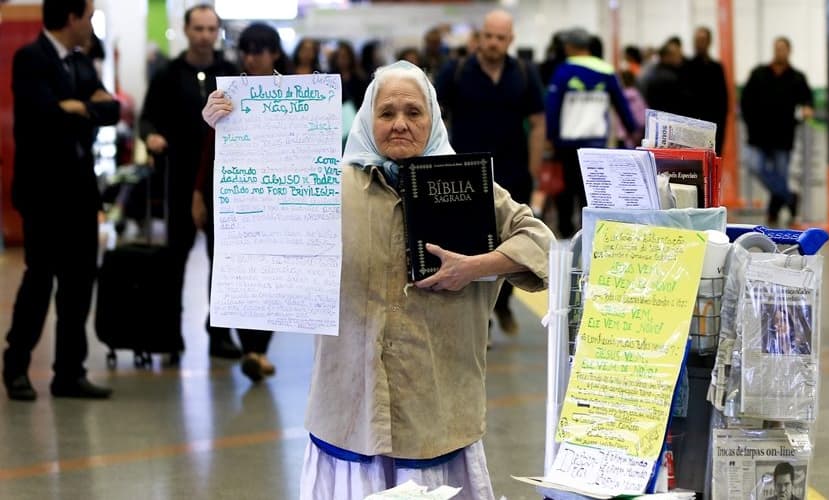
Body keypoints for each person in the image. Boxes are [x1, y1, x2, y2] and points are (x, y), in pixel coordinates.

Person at [202, 60, 553, 499]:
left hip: (436, 413)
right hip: (351, 410)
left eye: (413, 112)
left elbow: (538, 241)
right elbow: (262, 200)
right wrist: (234, 133)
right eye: (387, 113)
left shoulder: (469, 187)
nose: (400, 124)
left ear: (434, 117)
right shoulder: (331, 187)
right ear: (368, 119)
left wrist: (475, 266)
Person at [3, 0, 119, 401]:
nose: (90, 23)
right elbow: (44, 117)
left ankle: (69, 373)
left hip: (80, 194)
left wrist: (76, 108)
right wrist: (83, 109)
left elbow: (112, 110)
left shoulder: (80, 62)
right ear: (72, 17)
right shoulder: (30, 58)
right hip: (43, 195)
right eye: (88, 15)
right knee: (39, 281)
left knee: (79, 284)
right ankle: (15, 366)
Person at [138, 3, 240, 359]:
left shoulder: (230, 73)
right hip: (179, 178)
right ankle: (169, 334)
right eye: (198, 29)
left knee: (223, 259)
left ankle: (220, 332)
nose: (205, 36)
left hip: (224, 179)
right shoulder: (167, 73)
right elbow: (147, 118)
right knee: (174, 258)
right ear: (186, 30)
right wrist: (151, 137)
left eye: (211, 29)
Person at [435, 9, 545, 335]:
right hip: (464, 176)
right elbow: (433, 117)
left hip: (513, 172)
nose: (493, 43)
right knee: (468, 247)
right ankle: (477, 322)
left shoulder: (524, 74)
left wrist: (534, 171)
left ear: (510, 40)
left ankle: (504, 303)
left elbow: (538, 124)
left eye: (500, 37)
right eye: (488, 36)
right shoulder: (455, 72)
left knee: (511, 243)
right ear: (479, 36)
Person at [192, 23, 284, 382]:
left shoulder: (295, 92)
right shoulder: (229, 92)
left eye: (259, 50)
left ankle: (259, 349)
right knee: (232, 271)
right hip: (230, 197)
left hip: (277, 200)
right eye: (246, 50)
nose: (251, 57)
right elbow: (210, 147)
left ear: (274, 52)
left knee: (272, 273)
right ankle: (250, 349)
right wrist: (199, 192)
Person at [545, 28, 636, 238]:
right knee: (592, 189)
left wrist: (550, 135)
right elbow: (621, 104)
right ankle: (591, 234)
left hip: (567, 141)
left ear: (569, 46)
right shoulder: (606, 70)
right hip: (596, 142)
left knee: (566, 189)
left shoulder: (563, 71)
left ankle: (567, 233)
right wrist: (631, 128)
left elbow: (552, 106)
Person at [741, 36, 813, 226]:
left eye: (783, 48)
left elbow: (807, 100)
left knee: (781, 174)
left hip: (783, 135)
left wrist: (807, 108)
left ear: (789, 51)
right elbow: (745, 101)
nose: (779, 51)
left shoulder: (797, 77)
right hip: (759, 134)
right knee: (755, 165)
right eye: (777, 48)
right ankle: (790, 197)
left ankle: (773, 211)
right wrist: (750, 123)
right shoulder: (759, 73)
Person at [685, 27, 729, 155]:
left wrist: (720, 126)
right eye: (697, 40)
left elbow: (723, 100)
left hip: (713, 125)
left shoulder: (716, 68)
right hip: (692, 125)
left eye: (703, 40)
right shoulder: (687, 66)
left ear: (709, 42)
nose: (699, 44)